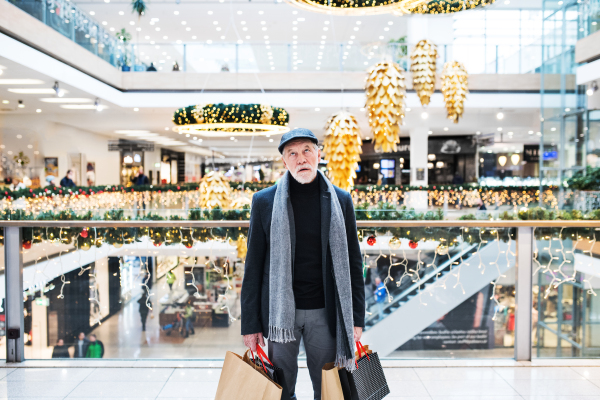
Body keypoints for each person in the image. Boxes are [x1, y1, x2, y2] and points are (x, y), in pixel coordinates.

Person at [241, 128, 365, 400]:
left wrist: (356, 318)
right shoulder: (264, 201)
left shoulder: (341, 200)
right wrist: (250, 325)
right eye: (292, 153)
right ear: (284, 162)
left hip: (325, 312)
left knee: (328, 388)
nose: (301, 159)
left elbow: (354, 263)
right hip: (280, 314)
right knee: (280, 390)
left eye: (307, 150)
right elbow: (253, 266)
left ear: (319, 155)